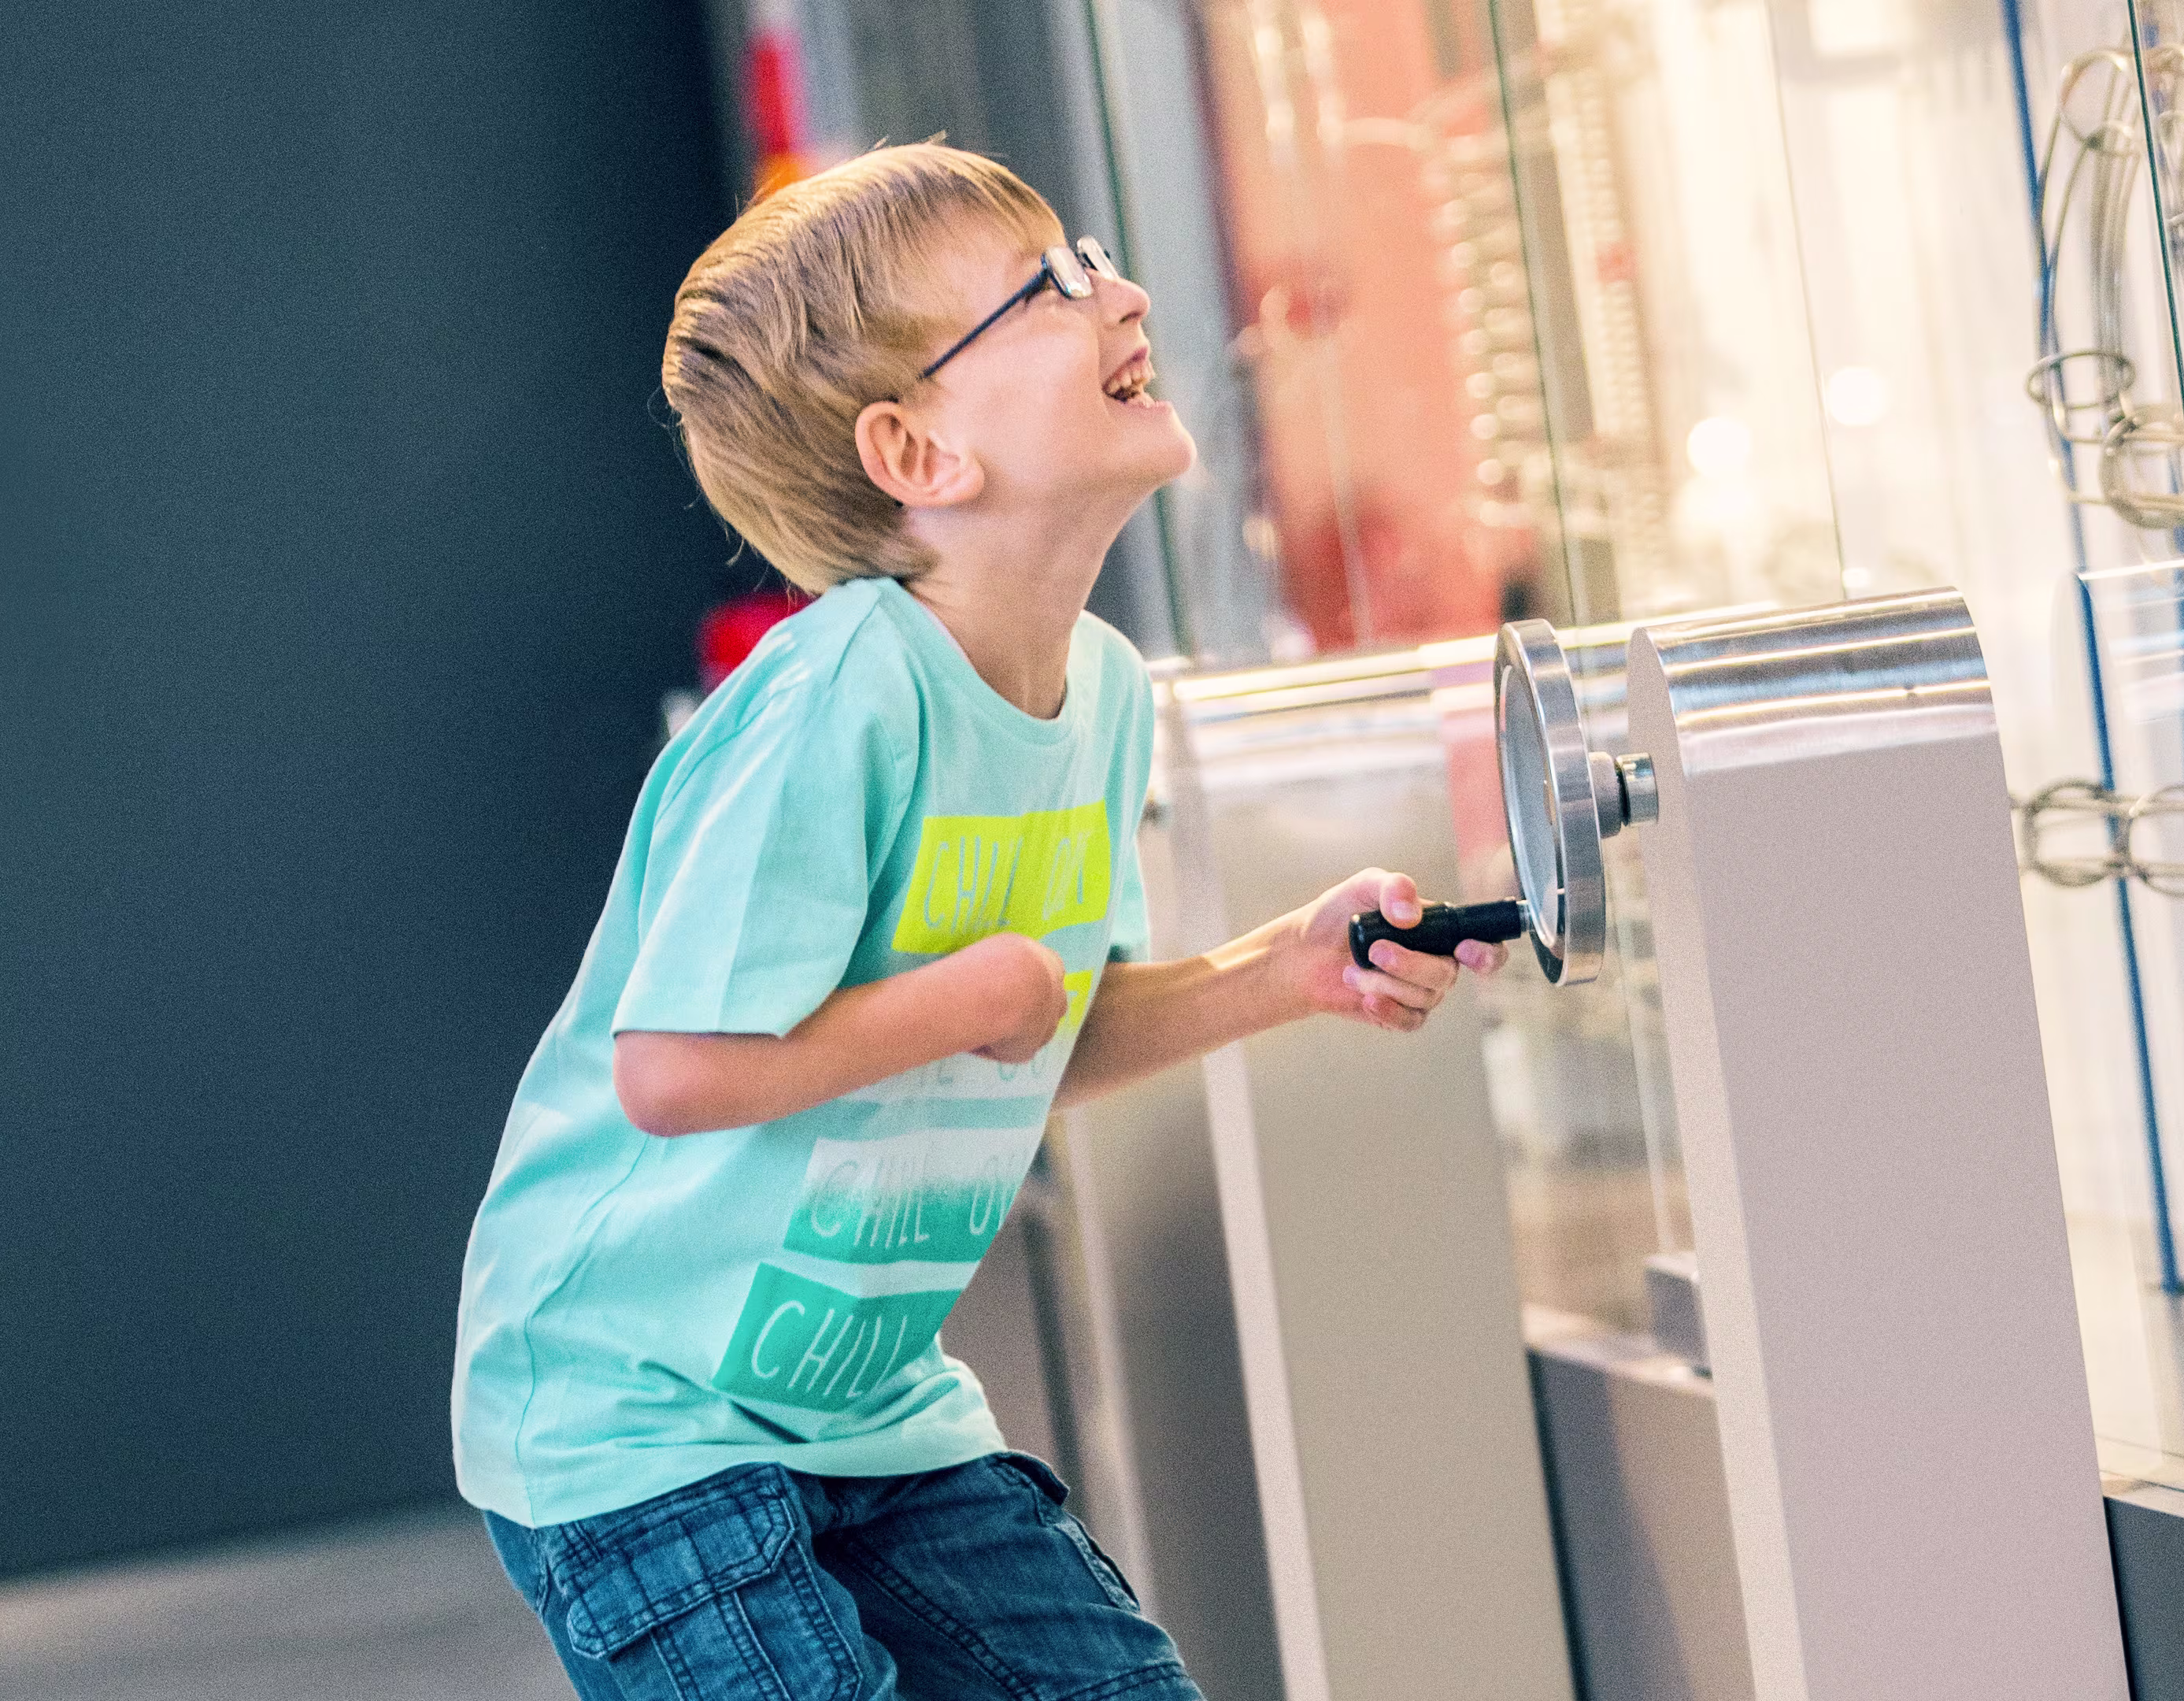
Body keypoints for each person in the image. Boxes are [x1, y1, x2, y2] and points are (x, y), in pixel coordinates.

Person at [450, 142, 1505, 1700]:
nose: (1121, 290)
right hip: (634, 1417)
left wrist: (1284, 970)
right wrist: (964, 997)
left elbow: (1036, 1028)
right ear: (917, 453)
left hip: (869, 1407)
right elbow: (671, 1069)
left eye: (1089, 255)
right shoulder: (835, 705)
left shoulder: (1109, 700)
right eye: (1053, 286)